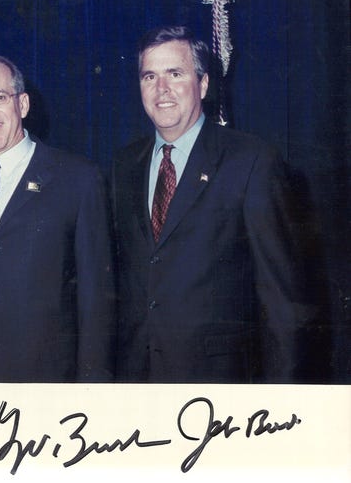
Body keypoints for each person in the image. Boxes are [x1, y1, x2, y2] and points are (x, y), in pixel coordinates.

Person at [112, 26, 323, 383]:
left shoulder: (252, 160)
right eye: (150, 76)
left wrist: (282, 407)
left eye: (175, 74)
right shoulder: (124, 165)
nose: (161, 89)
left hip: (219, 386)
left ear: (203, 84)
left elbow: (282, 304)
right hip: (137, 384)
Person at [0, 55, 116, 382]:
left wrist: (93, 388)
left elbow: (96, 300)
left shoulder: (77, 178)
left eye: (0, 97)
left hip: (46, 380)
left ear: (23, 104)